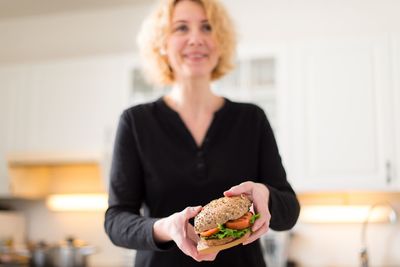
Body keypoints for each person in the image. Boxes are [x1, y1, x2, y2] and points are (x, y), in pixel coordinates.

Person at [104, 0, 300, 266]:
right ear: (162, 43)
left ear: (221, 42)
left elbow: (289, 211)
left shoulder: (251, 119)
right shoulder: (136, 122)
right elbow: (116, 220)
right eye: (181, 28)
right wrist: (164, 228)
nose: (196, 38)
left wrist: (266, 194)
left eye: (207, 28)